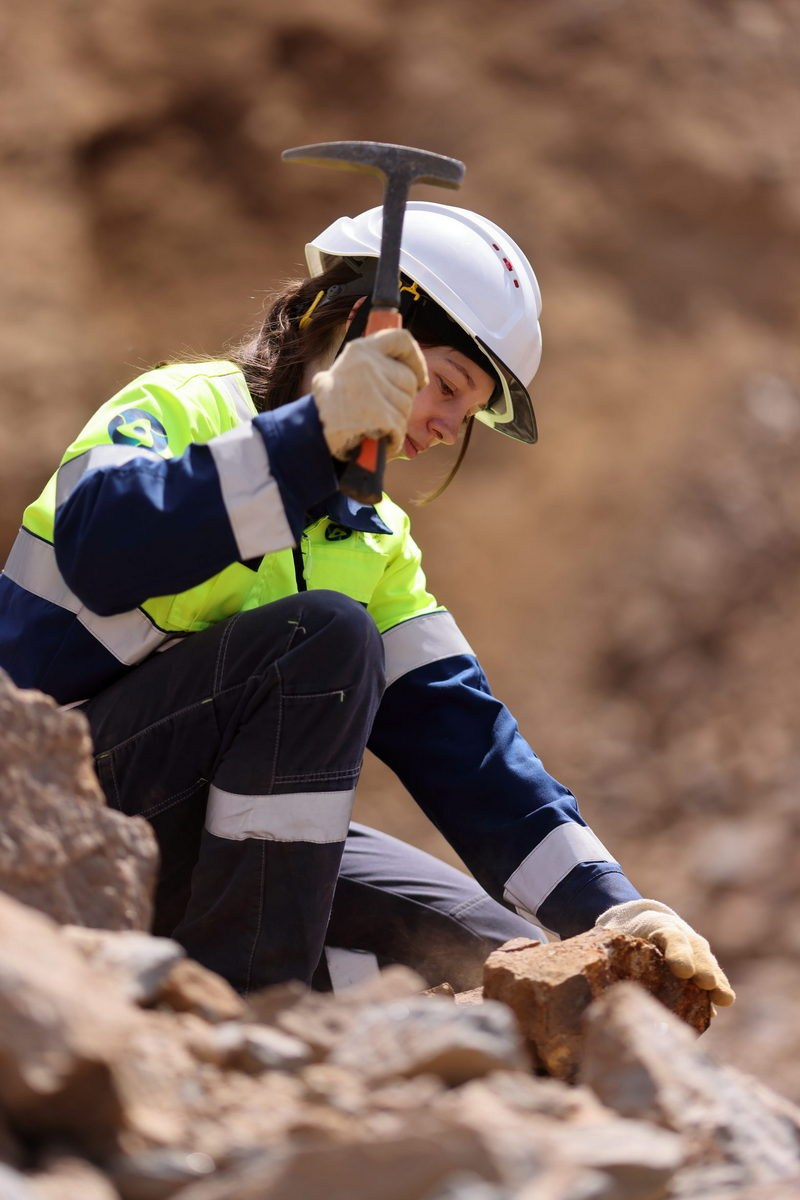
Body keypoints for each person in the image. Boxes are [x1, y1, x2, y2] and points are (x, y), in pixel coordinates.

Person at [0, 200, 735, 1004]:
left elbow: (468, 749)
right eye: (446, 386)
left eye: (467, 411)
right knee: (322, 639)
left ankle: (234, 984)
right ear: (363, 328)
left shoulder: (373, 536)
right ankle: (253, 1009)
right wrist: (309, 439)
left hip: (194, 848)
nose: (449, 427)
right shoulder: (181, 406)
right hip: (43, 811)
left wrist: (613, 909)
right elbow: (101, 544)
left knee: (492, 955)